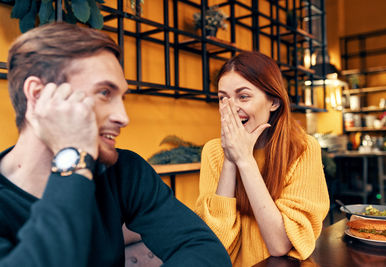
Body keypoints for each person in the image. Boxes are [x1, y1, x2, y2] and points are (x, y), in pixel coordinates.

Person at [0, 22, 231, 267]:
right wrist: (74, 155)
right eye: (104, 93)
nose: (123, 117)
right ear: (38, 95)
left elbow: (205, 252)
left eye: (121, 97)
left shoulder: (123, 170)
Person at [195, 51, 330, 267]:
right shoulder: (213, 152)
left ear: (274, 102)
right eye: (223, 98)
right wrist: (230, 159)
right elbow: (215, 244)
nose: (231, 107)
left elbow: (280, 245)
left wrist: (244, 159)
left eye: (243, 96)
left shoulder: (303, 148)